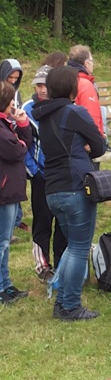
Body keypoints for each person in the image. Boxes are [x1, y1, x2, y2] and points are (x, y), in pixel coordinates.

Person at [32, 66, 106, 320]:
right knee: (78, 248)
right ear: (73, 88)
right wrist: (85, 147)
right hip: (74, 187)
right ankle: (71, 305)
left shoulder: (42, 114)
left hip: (52, 190)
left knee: (71, 246)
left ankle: (62, 303)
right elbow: (99, 145)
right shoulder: (74, 112)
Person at [23, 65, 67, 282]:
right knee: (42, 221)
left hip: (61, 174)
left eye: (46, 85)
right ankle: (42, 266)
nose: (42, 89)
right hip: (40, 175)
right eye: (38, 85)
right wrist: (34, 171)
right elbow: (22, 144)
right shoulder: (27, 109)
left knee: (63, 222)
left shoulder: (63, 107)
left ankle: (62, 263)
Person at [0, 80, 31, 304]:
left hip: (9, 189)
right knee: (1, 242)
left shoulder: (5, 123)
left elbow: (22, 146)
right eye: (11, 99)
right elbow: (15, 151)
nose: (14, 103)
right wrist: (20, 143)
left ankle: (6, 284)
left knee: (4, 241)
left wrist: (22, 125)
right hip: (4, 190)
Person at [67, 45, 104, 137]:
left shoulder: (64, 80)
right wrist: (97, 138)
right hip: (85, 138)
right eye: (92, 61)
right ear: (86, 64)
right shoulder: (85, 84)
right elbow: (92, 116)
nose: (93, 64)